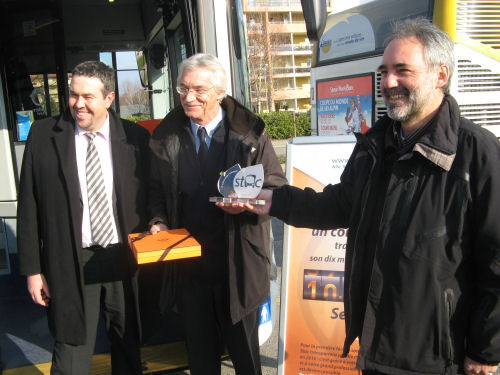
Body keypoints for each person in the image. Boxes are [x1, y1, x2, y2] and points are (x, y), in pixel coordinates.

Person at [233, 18, 500, 375]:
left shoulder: (478, 153)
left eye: (402, 70)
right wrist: (276, 200)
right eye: (384, 71)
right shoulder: (376, 145)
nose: (388, 83)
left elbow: (497, 263)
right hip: (374, 348)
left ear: (440, 76)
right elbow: (341, 205)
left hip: (439, 359)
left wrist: (486, 350)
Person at [148, 53, 286, 375]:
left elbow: (276, 187)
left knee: (245, 359)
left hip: (237, 267)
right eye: (183, 88)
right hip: (188, 269)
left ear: (220, 93)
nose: (188, 97)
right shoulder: (167, 136)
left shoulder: (249, 135)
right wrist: (159, 220)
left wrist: (247, 203)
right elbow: (156, 191)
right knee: (200, 358)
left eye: (198, 90)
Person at [17, 60, 150, 375]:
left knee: (128, 343)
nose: (78, 104)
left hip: (123, 258)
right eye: (74, 94)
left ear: (109, 99)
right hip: (70, 260)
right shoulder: (43, 136)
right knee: (70, 349)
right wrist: (33, 271)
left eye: (88, 97)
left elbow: (153, 195)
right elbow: (29, 207)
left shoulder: (135, 139)